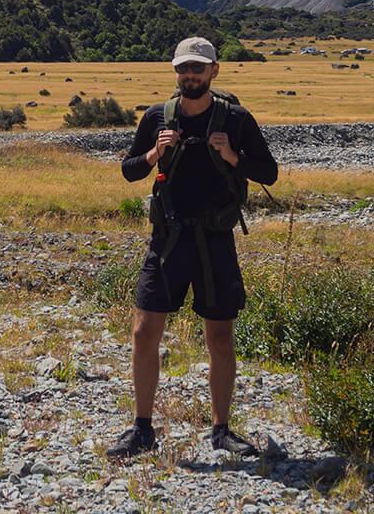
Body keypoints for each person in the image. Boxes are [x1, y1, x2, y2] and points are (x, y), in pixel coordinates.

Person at [107, 36, 278, 459]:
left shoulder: (235, 120)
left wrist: (234, 156)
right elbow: (129, 171)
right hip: (166, 240)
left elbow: (270, 173)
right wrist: (152, 154)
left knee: (220, 337)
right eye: (183, 68)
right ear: (175, 71)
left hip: (215, 241)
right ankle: (142, 429)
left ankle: (221, 430)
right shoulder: (156, 117)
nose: (190, 76)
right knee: (144, 332)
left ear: (214, 71)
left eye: (198, 68)